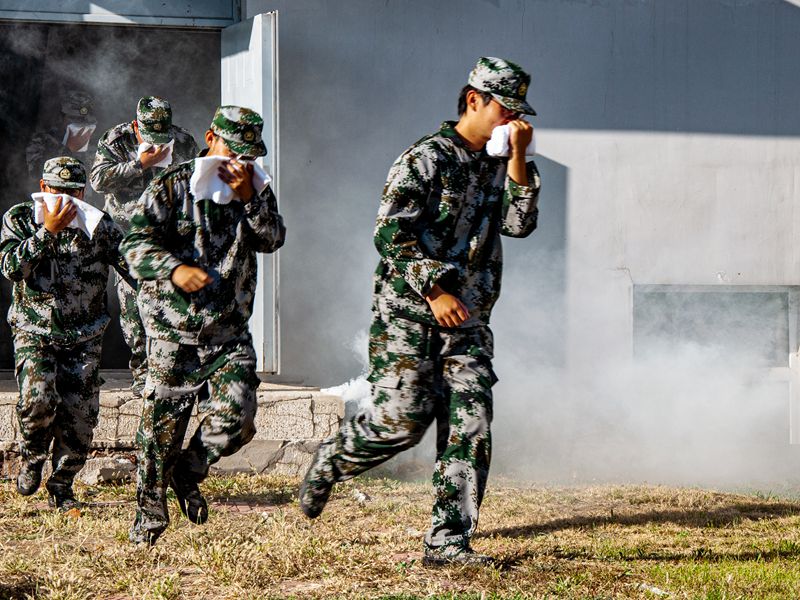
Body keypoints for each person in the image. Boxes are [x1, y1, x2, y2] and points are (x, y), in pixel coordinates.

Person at [299, 57, 541, 566]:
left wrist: (519, 156)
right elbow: (390, 232)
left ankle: (448, 540)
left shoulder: (504, 161)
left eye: (520, 114)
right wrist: (433, 289)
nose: (513, 120)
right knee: (400, 425)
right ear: (473, 100)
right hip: (410, 316)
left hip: (469, 320)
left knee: (471, 423)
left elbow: (519, 225)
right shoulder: (425, 158)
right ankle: (331, 461)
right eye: (506, 110)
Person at [121, 105, 286, 545]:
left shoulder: (255, 188)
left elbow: (272, 239)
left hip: (228, 329)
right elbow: (134, 245)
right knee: (161, 431)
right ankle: (149, 516)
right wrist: (174, 269)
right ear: (212, 138)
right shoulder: (171, 186)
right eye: (234, 151)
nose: (240, 163)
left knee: (238, 418)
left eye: (249, 156)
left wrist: (250, 199)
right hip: (173, 330)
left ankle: (188, 471)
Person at [0, 156, 129, 511]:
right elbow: (11, 268)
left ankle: (62, 485)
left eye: (74, 192)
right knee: (37, 400)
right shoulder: (21, 219)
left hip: (84, 336)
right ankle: (32, 456)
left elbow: (134, 267)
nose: (67, 199)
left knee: (80, 420)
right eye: (58, 191)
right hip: (35, 331)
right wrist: (48, 232)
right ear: (44, 188)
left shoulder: (99, 226)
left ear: (83, 192)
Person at [91, 96, 199, 396]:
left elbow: (196, 183)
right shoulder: (117, 139)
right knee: (133, 307)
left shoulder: (183, 141)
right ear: (137, 126)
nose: (158, 141)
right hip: (128, 237)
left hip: (168, 237)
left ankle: (172, 370)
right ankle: (142, 373)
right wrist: (140, 164)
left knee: (172, 304)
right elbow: (98, 181)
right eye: (150, 134)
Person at [26, 90, 97, 189]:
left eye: (82, 120)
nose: (78, 124)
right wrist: (69, 149)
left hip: (82, 196)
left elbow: (97, 179)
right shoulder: (42, 141)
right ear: (62, 117)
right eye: (73, 118)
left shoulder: (95, 144)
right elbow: (35, 173)